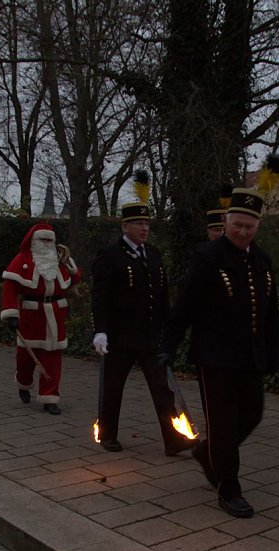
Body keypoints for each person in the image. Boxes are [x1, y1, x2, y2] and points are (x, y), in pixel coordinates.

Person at [158, 161, 279, 519]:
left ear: (258, 226)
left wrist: (274, 351)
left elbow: (269, 311)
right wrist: (169, 344)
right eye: (238, 224)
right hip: (215, 358)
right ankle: (228, 488)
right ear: (227, 222)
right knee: (225, 425)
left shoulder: (262, 260)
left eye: (250, 226)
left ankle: (207, 453)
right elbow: (185, 305)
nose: (243, 231)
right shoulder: (208, 257)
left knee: (253, 415)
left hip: (251, 357)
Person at [91, 171, 196, 456]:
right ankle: (109, 434)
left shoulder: (154, 254)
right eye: (138, 223)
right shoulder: (110, 255)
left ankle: (173, 439)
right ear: (125, 226)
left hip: (150, 336)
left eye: (147, 223)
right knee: (113, 388)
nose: (144, 228)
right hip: (120, 336)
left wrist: (169, 328)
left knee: (162, 389)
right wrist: (100, 329)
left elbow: (161, 295)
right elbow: (100, 295)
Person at [0, 222, 82, 415]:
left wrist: (70, 266)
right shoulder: (22, 260)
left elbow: (75, 278)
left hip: (55, 312)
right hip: (31, 314)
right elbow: (10, 288)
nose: (46, 243)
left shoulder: (60, 261)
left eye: (49, 240)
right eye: (42, 240)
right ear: (34, 241)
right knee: (26, 358)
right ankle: (24, 383)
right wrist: (11, 314)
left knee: (53, 358)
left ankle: (49, 397)